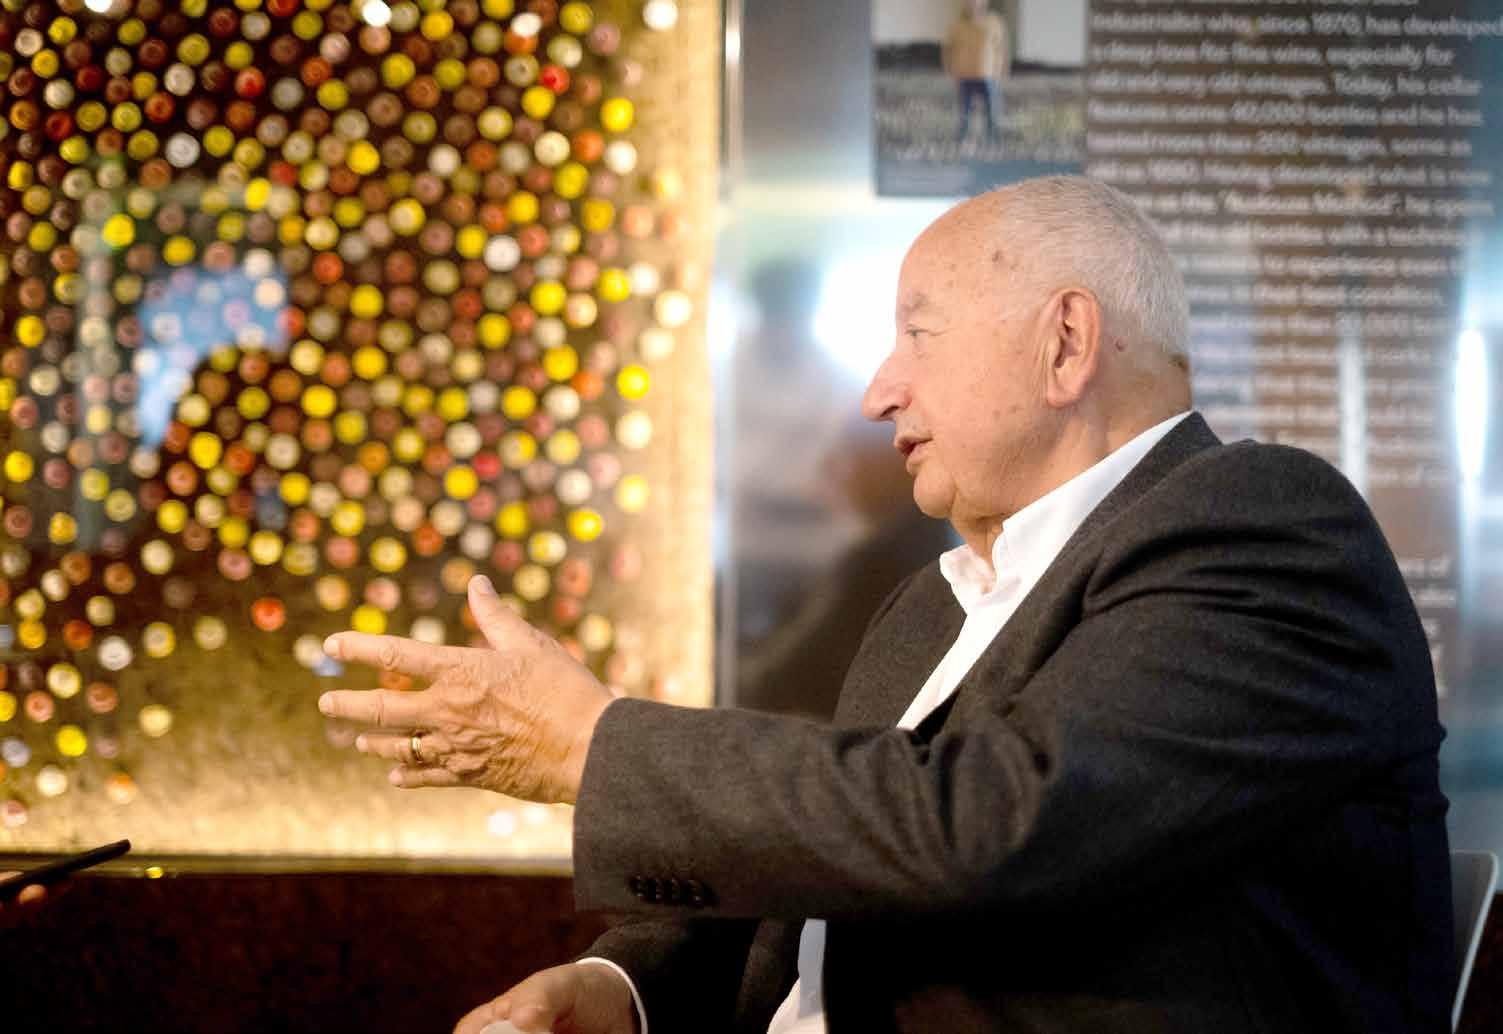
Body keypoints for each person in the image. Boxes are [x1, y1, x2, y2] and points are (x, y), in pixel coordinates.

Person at [318, 175, 1453, 1034]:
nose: (876, 391)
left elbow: (992, 829)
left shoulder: (1260, 528)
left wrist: (591, 744)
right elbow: (842, 867)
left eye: (917, 332)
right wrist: (625, 987)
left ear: (1065, 343)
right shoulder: (931, 603)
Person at [943, 0, 1008, 145]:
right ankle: (963, 133)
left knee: (991, 106)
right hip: (964, 73)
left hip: (987, 73)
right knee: (964, 107)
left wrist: (1000, 69)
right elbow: (947, 49)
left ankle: (992, 134)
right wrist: (949, 68)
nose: (973, 3)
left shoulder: (994, 22)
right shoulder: (956, 25)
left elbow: (1000, 48)